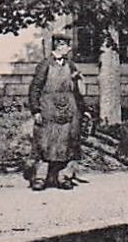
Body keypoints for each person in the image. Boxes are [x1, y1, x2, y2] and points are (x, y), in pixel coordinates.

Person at [27, 33, 85, 191]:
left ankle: (63, 177)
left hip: (69, 110)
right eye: (66, 46)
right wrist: (36, 110)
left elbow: (78, 90)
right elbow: (35, 89)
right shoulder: (45, 65)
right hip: (48, 109)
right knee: (45, 143)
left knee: (66, 144)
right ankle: (40, 178)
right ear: (59, 46)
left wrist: (82, 109)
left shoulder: (71, 65)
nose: (69, 48)